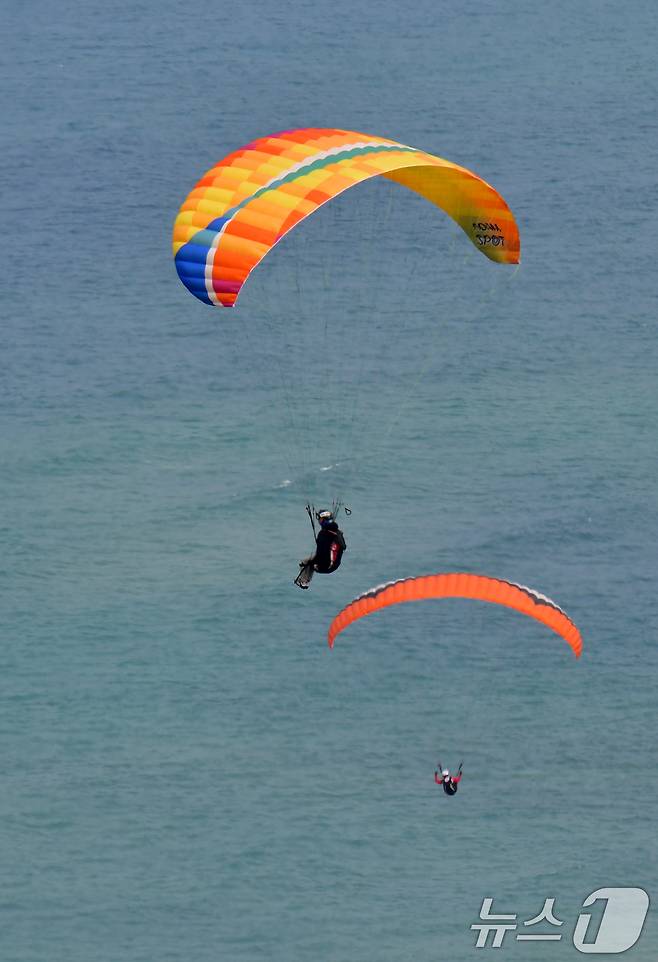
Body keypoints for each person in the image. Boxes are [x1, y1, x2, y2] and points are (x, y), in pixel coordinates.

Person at [294, 509, 346, 589]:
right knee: (307, 562)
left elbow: (322, 554)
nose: (318, 521)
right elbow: (342, 546)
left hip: (326, 565)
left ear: (324, 520)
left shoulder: (324, 534)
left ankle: (304, 582)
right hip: (335, 564)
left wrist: (313, 563)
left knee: (305, 564)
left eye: (320, 519)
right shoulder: (337, 532)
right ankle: (305, 581)